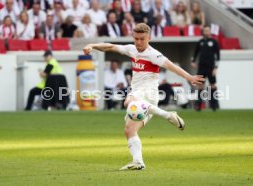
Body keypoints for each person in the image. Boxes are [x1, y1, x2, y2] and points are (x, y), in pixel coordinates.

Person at [83, 23, 204, 170]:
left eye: (142, 39)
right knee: (129, 130)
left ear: (149, 38)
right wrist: (92, 45)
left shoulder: (153, 54)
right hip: (142, 96)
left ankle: (168, 115)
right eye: (136, 39)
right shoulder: (132, 49)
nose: (139, 42)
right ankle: (138, 161)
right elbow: (110, 46)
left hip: (148, 93)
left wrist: (189, 77)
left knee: (128, 101)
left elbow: (171, 66)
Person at [191, 25, 220, 111]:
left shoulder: (214, 42)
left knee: (212, 86)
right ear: (203, 31)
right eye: (205, 31)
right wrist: (193, 61)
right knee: (200, 86)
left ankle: (214, 105)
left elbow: (218, 56)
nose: (206, 32)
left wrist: (215, 68)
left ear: (210, 31)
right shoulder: (200, 42)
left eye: (207, 30)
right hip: (201, 67)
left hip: (211, 67)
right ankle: (198, 106)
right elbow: (195, 53)